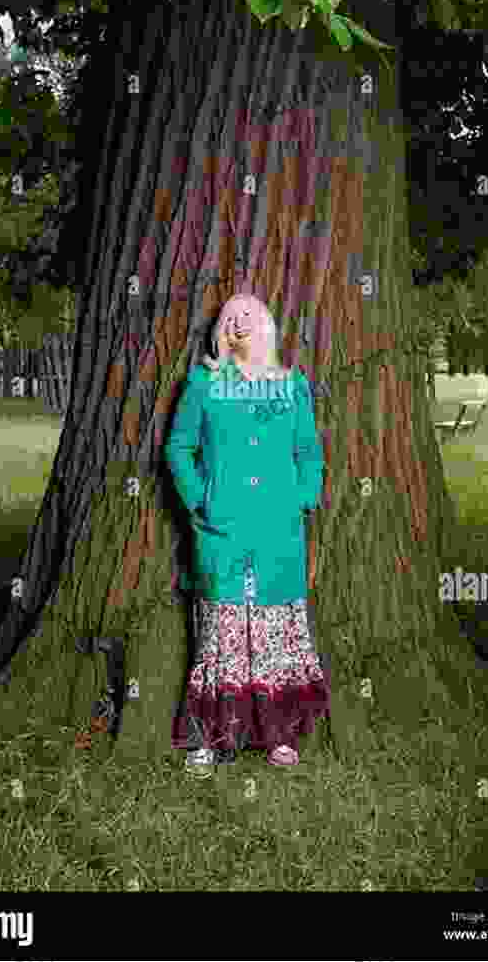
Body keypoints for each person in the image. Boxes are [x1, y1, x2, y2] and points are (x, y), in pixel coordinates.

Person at [165, 293, 331, 777]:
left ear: (266, 328)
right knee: (222, 634)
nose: (238, 322)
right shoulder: (205, 381)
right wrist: (200, 500)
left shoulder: (291, 384)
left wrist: (304, 497)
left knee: (276, 634)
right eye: (229, 317)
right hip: (223, 531)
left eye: (249, 315)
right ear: (221, 332)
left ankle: (279, 735)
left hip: (279, 533)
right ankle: (209, 739)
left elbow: (309, 452)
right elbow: (179, 446)